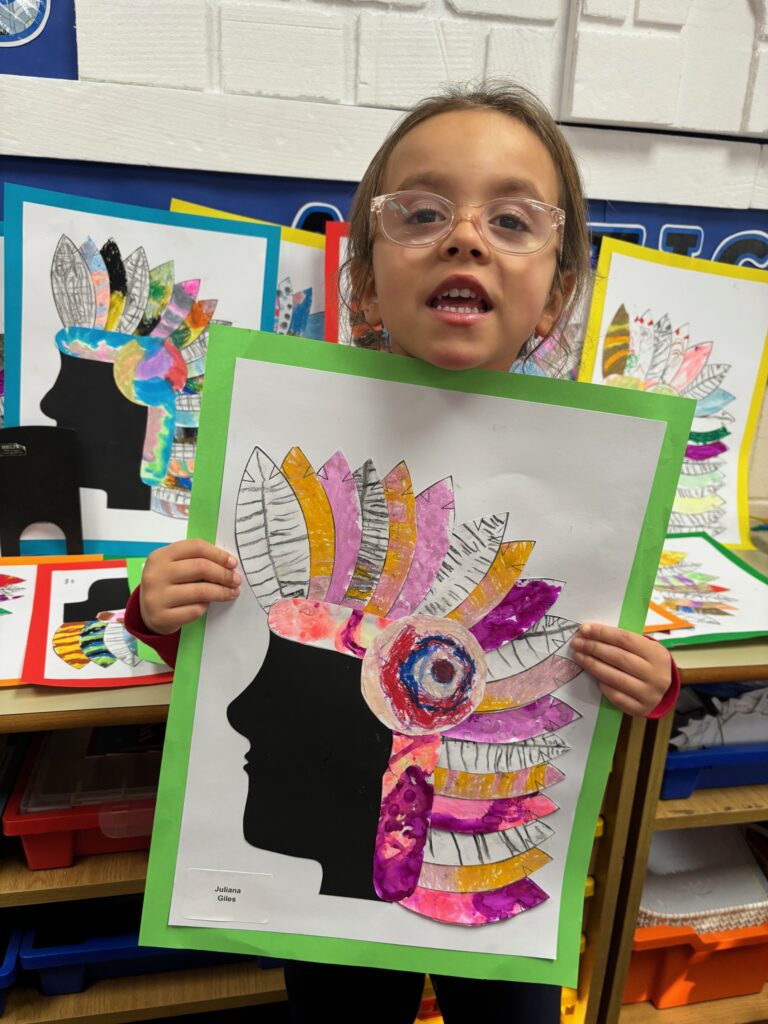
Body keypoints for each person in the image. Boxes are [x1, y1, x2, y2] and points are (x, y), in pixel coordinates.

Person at [125, 81, 680, 1024]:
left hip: (490, 879)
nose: (464, 236)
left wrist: (652, 683)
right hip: (331, 858)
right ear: (367, 280)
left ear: (557, 290)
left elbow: (583, 677)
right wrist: (161, 611)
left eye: (511, 219)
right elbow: (230, 670)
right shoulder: (292, 433)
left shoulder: (597, 482)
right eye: (421, 212)